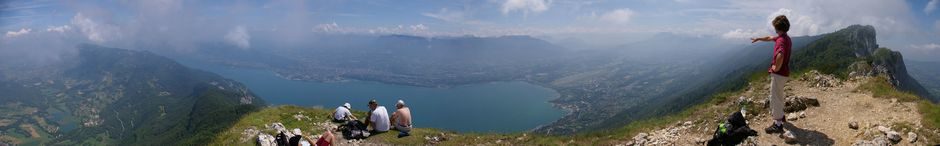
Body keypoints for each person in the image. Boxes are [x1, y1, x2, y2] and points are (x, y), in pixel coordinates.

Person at [750, 15, 792, 134]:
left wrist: (775, 67)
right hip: (784, 73)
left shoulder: (781, 41)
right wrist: (758, 38)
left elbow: (780, 54)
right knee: (779, 95)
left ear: (777, 27)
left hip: (779, 74)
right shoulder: (785, 38)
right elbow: (770, 38)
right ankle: (781, 116)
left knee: (775, 99)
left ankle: (778, 125)